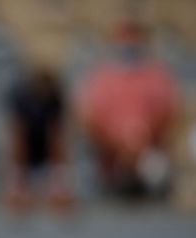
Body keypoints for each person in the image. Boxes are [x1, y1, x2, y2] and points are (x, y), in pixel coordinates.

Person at [75, 19, 179, 198]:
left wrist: (142, 145)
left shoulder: (157, 74)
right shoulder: (102, 76)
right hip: (111, 156)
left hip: (148, 151)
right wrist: (117, 148)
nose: (128, 44)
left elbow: (167, 112)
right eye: (124, 39)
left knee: (156, 173)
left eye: (133, 39)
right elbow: (90, 117)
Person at [4, 65, 74, 214]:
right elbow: (19, 139)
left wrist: (59, 181)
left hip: (46, 162)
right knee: (17, 203)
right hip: (27, 163)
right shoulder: (21, 98)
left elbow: (55, 138)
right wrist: (19, 182)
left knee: (62, 202)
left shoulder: (55, 99)